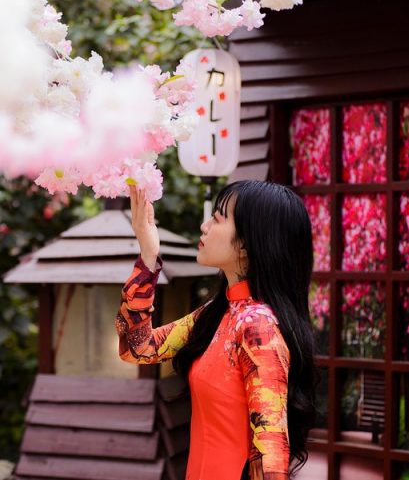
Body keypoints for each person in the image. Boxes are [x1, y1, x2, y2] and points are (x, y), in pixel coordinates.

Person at [116, 180, 316, 480]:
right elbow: (137, 347)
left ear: (247, 244)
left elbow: (270, 452)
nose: (205, 226)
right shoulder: (217, 313)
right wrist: (147, 255)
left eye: (218, 218)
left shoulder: (257, 326)